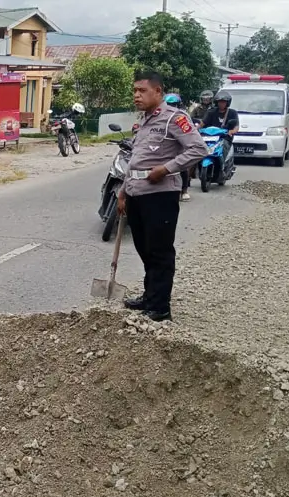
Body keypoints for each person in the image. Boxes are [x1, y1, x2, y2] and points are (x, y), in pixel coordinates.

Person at [117, 72, 208, 322]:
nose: (136, 95)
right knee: (144, 249)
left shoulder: (175, 119)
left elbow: (199, 149)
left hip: (160, 195)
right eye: (134, 90)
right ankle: (150, 296)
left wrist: (167, 168)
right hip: (137, 194)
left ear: (158, 92)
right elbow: (135, 160)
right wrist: (123, 192)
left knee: (160, 252)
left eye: (142, 91)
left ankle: (160, 308)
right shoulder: (144, 121)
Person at [164, 93, 194, 202]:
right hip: (166, 144)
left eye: (173, 104)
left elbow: (190, 130)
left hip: (180, 144)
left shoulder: (183, 115)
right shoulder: (160, 115)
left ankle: (184, 190)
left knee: (182, 166)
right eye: (169, 104)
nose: (171, 107)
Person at [201, 90, 240, 170]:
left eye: (223, 102)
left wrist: (231, 131)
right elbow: (203, 123)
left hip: (224, 138)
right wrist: (195, 129)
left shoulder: (232, 113)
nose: (221, 104)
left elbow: (236, 127)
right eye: (220, 102)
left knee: (224, 146)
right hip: (210, 137)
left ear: (227, 103)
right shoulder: (211, 112)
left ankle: (223, 166)